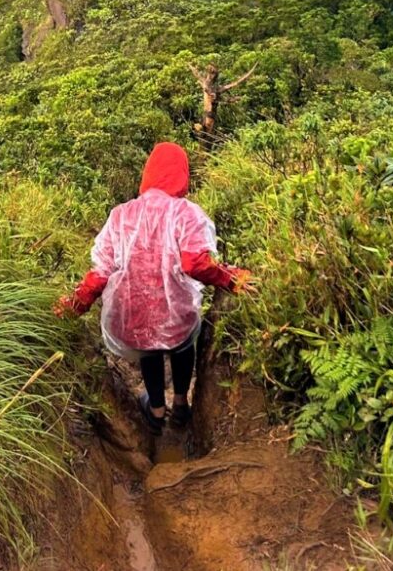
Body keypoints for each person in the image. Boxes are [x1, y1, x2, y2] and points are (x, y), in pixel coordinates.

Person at [56, 142, 254, 435]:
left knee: (148, 351)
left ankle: (157, 410)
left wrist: (74, 305)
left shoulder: (121, 215)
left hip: (134, 314)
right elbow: (196, 264)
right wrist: (232, 278)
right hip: (177, 314)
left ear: (148, 173)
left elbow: (99, 273)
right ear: (181, 174)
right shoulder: (186, 213)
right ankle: (181, 404)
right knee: (183, 346)